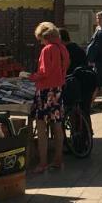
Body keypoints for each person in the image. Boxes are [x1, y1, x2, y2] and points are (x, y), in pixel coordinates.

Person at [27, 22, 70, 174]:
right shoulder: (62, 48)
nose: (40, 42)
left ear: (45, 37)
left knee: (41, 127)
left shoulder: (48, 49)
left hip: (46, 91)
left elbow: (44, 72)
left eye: (40, 39)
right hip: (58, 89)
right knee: (57, 125)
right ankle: (58, 160)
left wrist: (30, 77)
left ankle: (43, 162)